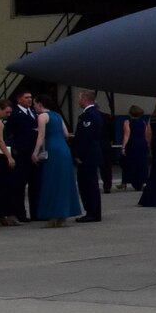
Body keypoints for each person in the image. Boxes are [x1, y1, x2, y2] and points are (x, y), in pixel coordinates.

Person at [31, 93, 83, 227]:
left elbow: (41, 136)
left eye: (35, 104)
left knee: (51, 181)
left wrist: (35, 152)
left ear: (40, 104)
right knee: (64, 181)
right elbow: (66, 133)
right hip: (64, 149)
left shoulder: (42, 116)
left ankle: (52, 214)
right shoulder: (57, 115)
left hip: (53, 149)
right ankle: (63, 214)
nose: (34, 106)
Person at [72, 90, 107, 223]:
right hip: (91, 153)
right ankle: (92, 211)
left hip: (88, 155)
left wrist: (78, 154)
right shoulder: (93, 114)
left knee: (88, 184)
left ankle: (92, 212)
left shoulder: (89, 115)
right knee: (88, 183)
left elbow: (85, 137)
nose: (78, 101)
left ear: (85, 99)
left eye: (80, 98)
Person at [5, 88, 39, 220]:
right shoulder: (14, 114)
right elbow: (9, 134)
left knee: (35, 185)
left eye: (30, 97)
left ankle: (35, 212)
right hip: (21, 154)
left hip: (33, 153)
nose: (29, 100)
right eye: (26, 97)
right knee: (19, 185)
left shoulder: (33, 112)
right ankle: (20, 213)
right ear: (19, 99)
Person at [119, 104, 150, 191]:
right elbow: (146, 135)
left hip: (132, 144)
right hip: (142, 143)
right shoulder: (143, 122)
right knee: (142, 163)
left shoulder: (127, 122)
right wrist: (148, 144)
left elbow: (127, 135)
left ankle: (126, 181)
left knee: (128, 163)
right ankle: (143, 181)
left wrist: (123, 146)